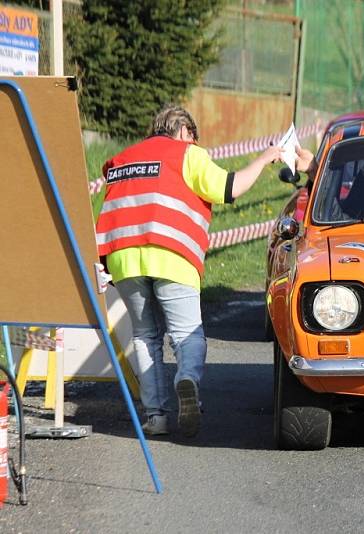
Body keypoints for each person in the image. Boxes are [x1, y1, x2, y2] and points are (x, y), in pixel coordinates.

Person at [96, 104, 285, 437]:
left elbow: (110, 211)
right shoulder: (187, 154)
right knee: (187, 334)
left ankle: (156, 416)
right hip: (172, 254)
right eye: (194, 138)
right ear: (184, 131)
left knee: (145, 335)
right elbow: (230, 187)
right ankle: (187, 379)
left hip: (123, 258)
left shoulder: (123, 160)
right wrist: (264, 157)